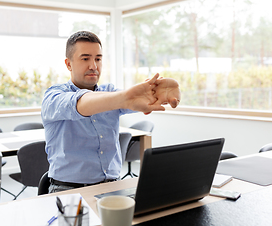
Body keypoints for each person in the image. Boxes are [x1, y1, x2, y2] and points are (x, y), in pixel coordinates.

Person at [41, 31, 180, 193]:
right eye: (85, 58)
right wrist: (124, 97)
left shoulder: (111, 92)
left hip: (114, 186)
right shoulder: (54, 96)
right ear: (68, 64)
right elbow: (80, 103)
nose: (93, 66)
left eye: (98, 59)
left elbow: (131, 100)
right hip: (68, 190)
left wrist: (155, 94)